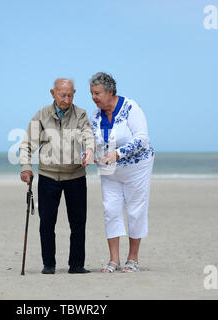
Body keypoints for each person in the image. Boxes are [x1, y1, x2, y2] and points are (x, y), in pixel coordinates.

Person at [19, 78, 95, 274]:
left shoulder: (80, 114)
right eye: (62, 95)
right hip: (48, 176)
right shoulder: (41, 115)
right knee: (47, 222)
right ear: (53, 93)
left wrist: (89, 151)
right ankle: (49, 265)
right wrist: (26, 167)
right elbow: (27, 144)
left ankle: (77, 265)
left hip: (75, 176)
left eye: (70, 95)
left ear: (74, 93)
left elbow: (87, 136)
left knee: (78, 222)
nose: (67, 100)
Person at [88, 72, 155, 273]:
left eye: (97, 93)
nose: (94, 97)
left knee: (135, 210)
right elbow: (91, 141)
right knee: (110, 210)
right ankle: (113, 259)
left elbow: (141, 139)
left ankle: (132, 258)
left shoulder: (131, 108)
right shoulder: (95, 116)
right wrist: (87, 153)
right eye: (91, 93)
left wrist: (117, 154)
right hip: (109, 172)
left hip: (137, 169)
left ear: (110, 92)